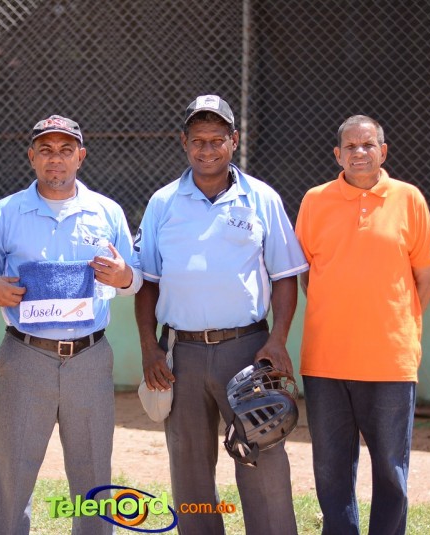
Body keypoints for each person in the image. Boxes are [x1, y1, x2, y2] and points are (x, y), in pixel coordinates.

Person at [134, 95, 308, 535]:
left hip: (247, 349)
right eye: (198, 140)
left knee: (263, 453)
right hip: (182, 353)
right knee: (189, 466)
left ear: (234, 140)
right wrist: (150, 348)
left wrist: (277, 340)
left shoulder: (261, 198)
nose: (207, 149)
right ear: (184, 142)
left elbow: (285, 276)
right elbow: (147, 282)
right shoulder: (163, 203)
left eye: (217, 139)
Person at [0, 114, 142, 535]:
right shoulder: (5, 213)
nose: (55, 158)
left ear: (81, 156)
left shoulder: (106, 212)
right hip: (26, 356)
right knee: (13, 474)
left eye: (65, 150)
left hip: (89, 356)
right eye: (46, 150)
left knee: (93, 475)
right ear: (31, 157)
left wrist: (124, 277)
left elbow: (136, 279)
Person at [295, 115, 430, 534]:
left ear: (383, 151)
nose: (359, 152)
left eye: (368, 144)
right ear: (337, 154)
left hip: (390, 363)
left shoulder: (410, 199)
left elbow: (426, 281)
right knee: (331, 471)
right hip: (325, 361)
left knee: (391, 471)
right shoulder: (314, 201)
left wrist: (393, 323)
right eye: (351, 146)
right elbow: (307, 275)